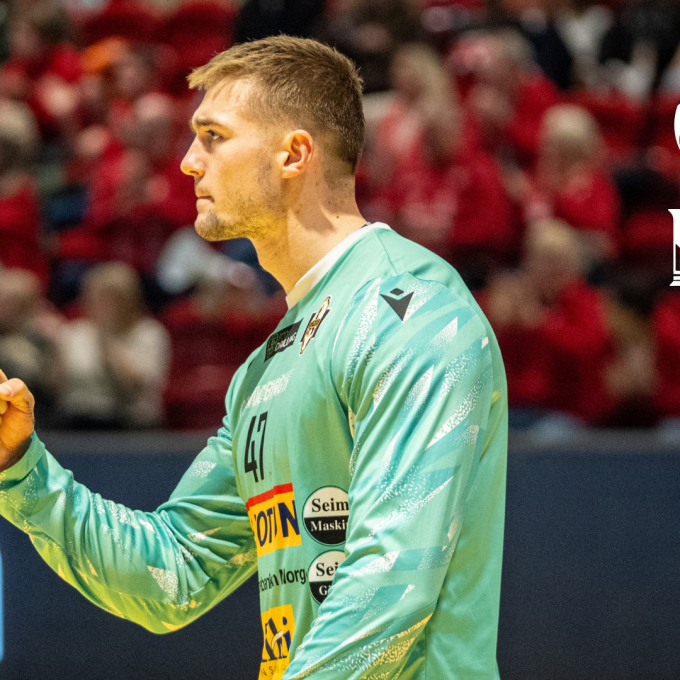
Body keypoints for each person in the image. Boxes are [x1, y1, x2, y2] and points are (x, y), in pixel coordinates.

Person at [0, 36, 507, 680]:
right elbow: (173, 573)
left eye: (213, 136)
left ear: (293, 154)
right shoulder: (265, 368)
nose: (188, 162)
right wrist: (21, 469)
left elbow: (390, 586)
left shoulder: (413, 312)